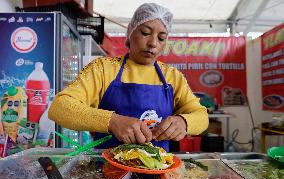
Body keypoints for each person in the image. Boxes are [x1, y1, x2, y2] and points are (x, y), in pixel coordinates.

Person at [48, 3, 208, 152]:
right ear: (130, 32)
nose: (153, 43)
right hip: (107, 173)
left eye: (161, 38)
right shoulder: (103, 69)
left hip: (156, 174)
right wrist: (111, 121)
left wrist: (184, 122)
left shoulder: (173, 77)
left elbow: (201, 116)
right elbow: (59, 108)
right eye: (145, 33)